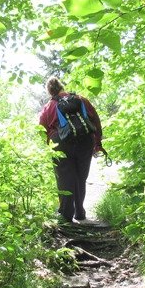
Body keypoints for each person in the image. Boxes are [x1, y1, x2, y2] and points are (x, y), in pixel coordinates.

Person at [38, 78, 103, 224]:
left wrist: (49, 146)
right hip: (85, 140)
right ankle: (80, 212)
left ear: (49, 91)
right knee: (81, 177)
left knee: (65, 179)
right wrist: (97, 143)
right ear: (62, 87)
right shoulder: (81, 99)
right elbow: (95, 120)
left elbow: (41, 129)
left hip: (60, 143)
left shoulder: (49, 106)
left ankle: (66, 216)